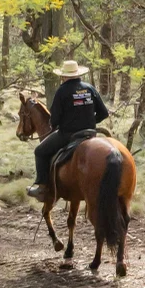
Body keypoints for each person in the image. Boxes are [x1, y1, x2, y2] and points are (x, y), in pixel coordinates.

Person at [27, 59, 111, 200]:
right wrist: (89, 122)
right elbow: (104, 113)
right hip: (90, 134)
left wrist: (60, 124)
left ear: (64, 76)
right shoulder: (90, 88)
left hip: (68, 134)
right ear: (78, 74)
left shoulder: (62, 91)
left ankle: (42, 187)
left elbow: (54, 119)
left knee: (40, 151)